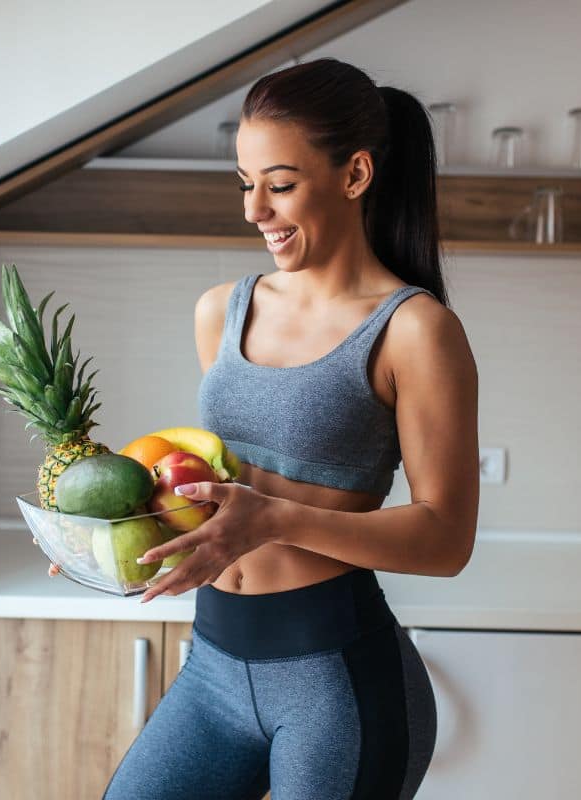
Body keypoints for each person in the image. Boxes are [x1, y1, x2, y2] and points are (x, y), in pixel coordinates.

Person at [66, 57, 478, 799]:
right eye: (245, 184)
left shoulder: (414, 331)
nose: (255, 210)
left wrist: (275, 519)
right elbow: (220, 496)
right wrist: (115, 537)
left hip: (336, 684)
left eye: (280, 185)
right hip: (215, 667)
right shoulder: (220, 309)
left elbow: (446, 540)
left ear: (354, 175)